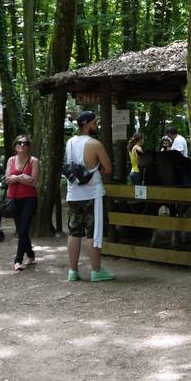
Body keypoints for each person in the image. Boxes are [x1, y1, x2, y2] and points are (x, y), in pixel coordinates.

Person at [64, 110, 115, 282]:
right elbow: (108, 168)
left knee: (74, 232)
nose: (97, 125)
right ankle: (96, 270)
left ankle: (73, 271)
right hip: (93, 195)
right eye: (94, 123)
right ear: (86, 125)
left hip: (73, 194)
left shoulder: (69, 142)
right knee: (93, 232)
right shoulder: (95, 144)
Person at [6, 134, 40, 272]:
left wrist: (16, 178)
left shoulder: (34, 161)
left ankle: (18, 260)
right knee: (21, 230)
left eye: (25, 143)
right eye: (19, 143)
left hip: (29, 199)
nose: (22, 145)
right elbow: (8, 180)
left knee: (24, 228)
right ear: (15, 146)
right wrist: (21, 177)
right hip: (14, 199)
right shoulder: (11, 160)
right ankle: (31, 254)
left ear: (28, 147)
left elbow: (34, 181)